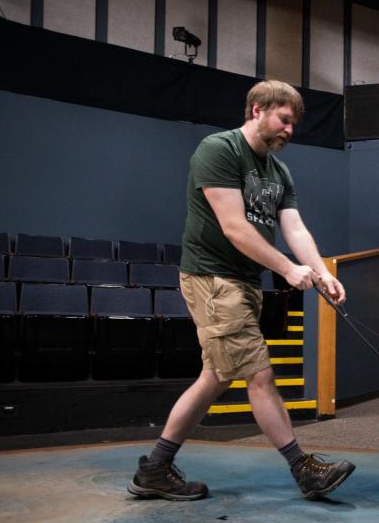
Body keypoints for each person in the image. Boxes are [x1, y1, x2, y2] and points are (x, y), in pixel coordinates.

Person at [128, 79, 354, 501]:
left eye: (294, 125)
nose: (290, 131)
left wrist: (322, 273)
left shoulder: (278, 170)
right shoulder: (219, 150)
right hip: (212, 278)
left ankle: (155, 469)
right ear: (258, 110)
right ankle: (303, 469)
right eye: (285, 120)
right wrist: (287, 269)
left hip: (244, 282)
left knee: (215, 377)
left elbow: (294, 226)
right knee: (258, 373)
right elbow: (234, 227)